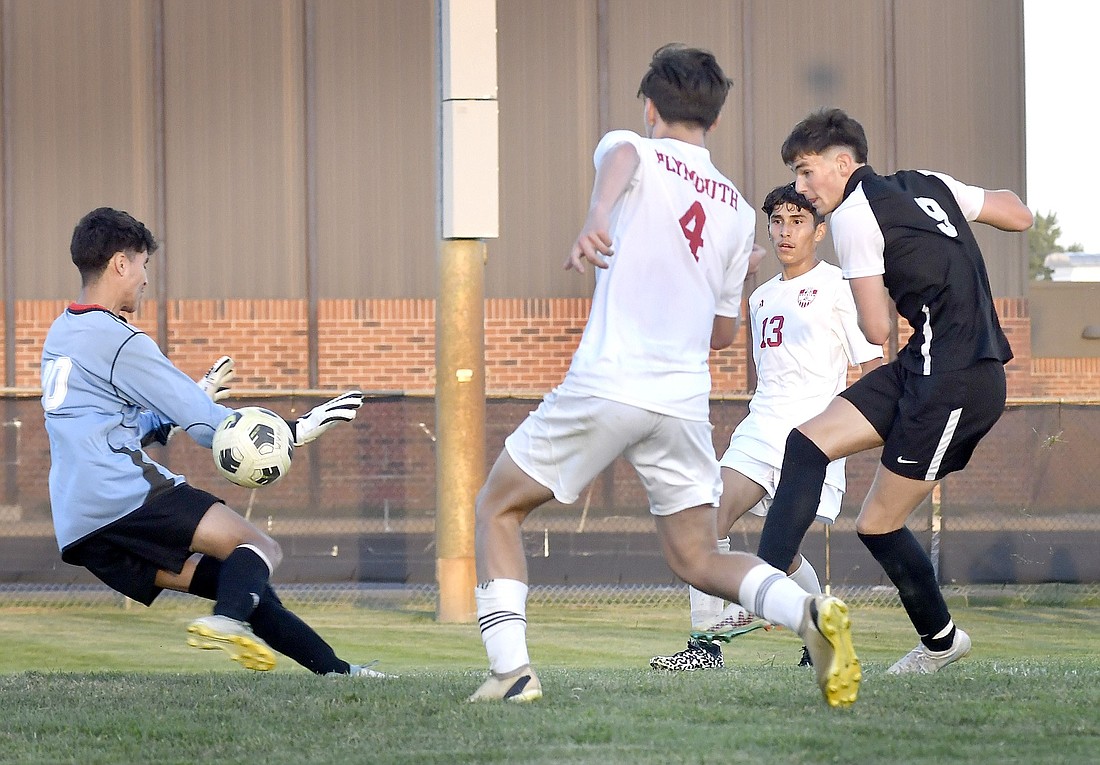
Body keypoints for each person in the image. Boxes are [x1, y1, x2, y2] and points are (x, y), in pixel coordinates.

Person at [468, 45, 861, 709]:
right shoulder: (739, 211)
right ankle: (807, 614)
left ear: (650, 107)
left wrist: (597, 217)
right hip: (680, 406)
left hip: (608, 382)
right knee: (698, 556)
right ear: (712, 117)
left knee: (496, 507)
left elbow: (621, 161)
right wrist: (735, 278)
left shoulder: (632, 148)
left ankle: (512, 673)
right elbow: (722, 336)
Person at [41, 206, 388, 678]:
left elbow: (108, 425)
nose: (145, 280)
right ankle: (226, 622)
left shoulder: (62, 332)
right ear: (121, 264)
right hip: (122, 495)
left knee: (243, 582)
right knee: (259, 546)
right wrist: (294, 431)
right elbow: (210, 426)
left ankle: (340, 674)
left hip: (79, 523)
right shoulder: (121, 340)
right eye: (143, 265)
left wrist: (183, 403)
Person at [755, 108, 1033, 674]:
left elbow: (875, 328)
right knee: (805, 444)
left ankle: (941, 643)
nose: (803, 190)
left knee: (876, 523)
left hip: (955, 379)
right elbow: (1020, 214)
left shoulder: (857, 217)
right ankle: (763, 582)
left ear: (842, 163)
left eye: (807, 174)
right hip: (923, 364)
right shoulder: (928, 183)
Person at [650, 183, 883, 672]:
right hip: (760, 430)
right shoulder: (760, 299)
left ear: (819, 231)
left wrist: (862, 432)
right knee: (706, 520)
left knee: (785, 552)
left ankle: (820, 635)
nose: (785, 231)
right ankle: (704, 649)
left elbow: (872, 369)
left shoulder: (840, 287)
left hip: (815, 437)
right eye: (777, 221)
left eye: (797, 221)